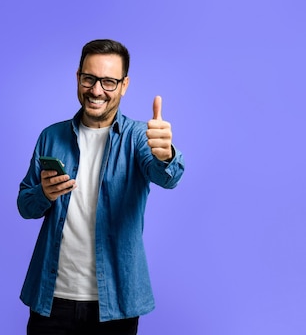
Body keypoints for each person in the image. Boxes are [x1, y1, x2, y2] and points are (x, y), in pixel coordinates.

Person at [16, 39, 185, 335]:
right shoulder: (51, 136)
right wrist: (43, 193)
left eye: (108, 81)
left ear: (124, 85)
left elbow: (168, 176)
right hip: (51, 299)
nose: (96, 90)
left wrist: (166, 154)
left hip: (115, 304)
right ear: (78, 77)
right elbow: (25, 206)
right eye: (89, 78)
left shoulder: (138, 138)